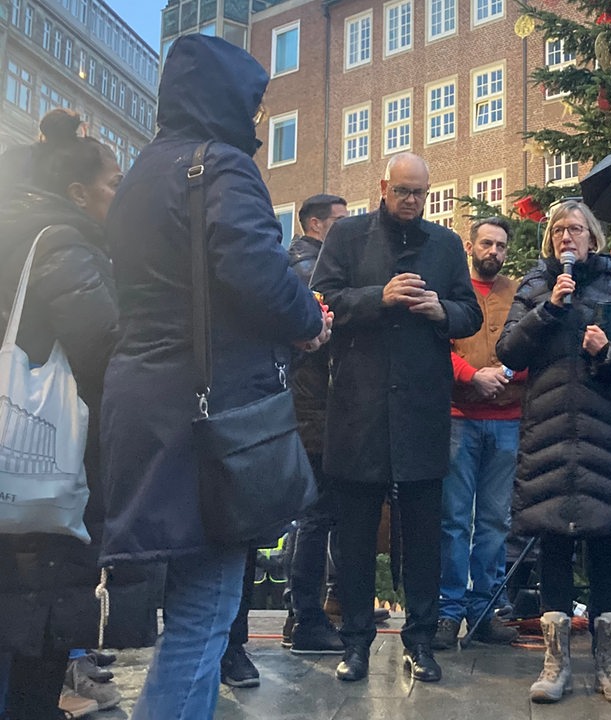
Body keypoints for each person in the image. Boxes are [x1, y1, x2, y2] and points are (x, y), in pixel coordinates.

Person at [99, 35, 330, 720]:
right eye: (250, 103)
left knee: (195, 604)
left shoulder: (143, 172)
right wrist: (306, 320)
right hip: (210, 412)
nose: (255, 120)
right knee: (206, 608)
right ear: (224, 99)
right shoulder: (220, 165)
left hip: (143, 401)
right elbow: (257, 271)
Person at [310, 152, 482, 684]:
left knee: (425, 534)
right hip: (359, 408)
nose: (412, 202)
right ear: (383, 186)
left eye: (421, 194)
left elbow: (470, 312)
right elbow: (323, 298)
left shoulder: (447, 244)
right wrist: (378, 297)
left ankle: (421, 640)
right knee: (357, 533)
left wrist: (442, 312)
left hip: (422, 409)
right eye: (404, 191)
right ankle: (356, 642)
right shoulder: (348, 236)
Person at [496, 200, 611, 705]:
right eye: (558, 230)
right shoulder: (535, 288)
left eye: (576, 229)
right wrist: (549, 311)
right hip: (547, 433)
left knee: (607, 541)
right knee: (553, 545)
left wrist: (609, 353)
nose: (567, 237)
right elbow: (508, 351)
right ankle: (556, 661)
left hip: (605, 434)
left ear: (593, 238)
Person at [0, 109, 128, 719]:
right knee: (37, 613)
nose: (119, 197)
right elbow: (103, 349)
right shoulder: (62, 239)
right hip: (44, 461)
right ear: (77, 191)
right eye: (112, 185)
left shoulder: (15, 224)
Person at [434, 216, 523, 650]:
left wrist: (503, 373)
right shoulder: (453, 291)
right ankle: (447, 611)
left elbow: (529, 342)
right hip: (458, 417)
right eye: (487, 243)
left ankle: (485, 611)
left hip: (507, 419)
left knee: (494, 521)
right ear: (470, 247)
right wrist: (471, 375)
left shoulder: (517, 292)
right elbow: (437, 347)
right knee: (453, 520)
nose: (494, 252)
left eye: (501, 246)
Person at [280, 193, 348, 655]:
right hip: (312, 412)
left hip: (319, 409)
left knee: (322, 512)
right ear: (316, 225)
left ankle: (318, 606)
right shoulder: (308, 270)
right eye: (341, 223)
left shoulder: (308, 265)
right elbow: (329, 320)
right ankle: (304, 616)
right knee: (315, 514)